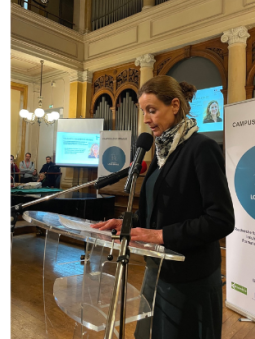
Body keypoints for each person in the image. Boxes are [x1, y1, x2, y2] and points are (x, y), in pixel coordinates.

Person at [91, 76, 235, 339]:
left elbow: (221, 220)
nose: (146, 118)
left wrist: (160, 235)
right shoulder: (160, 153)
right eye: (143, 111)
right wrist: (125, 223)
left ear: (175, 106)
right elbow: (153, 214)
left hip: (191, 276)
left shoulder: (202, 149)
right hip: (157, 270)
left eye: (152, 110)